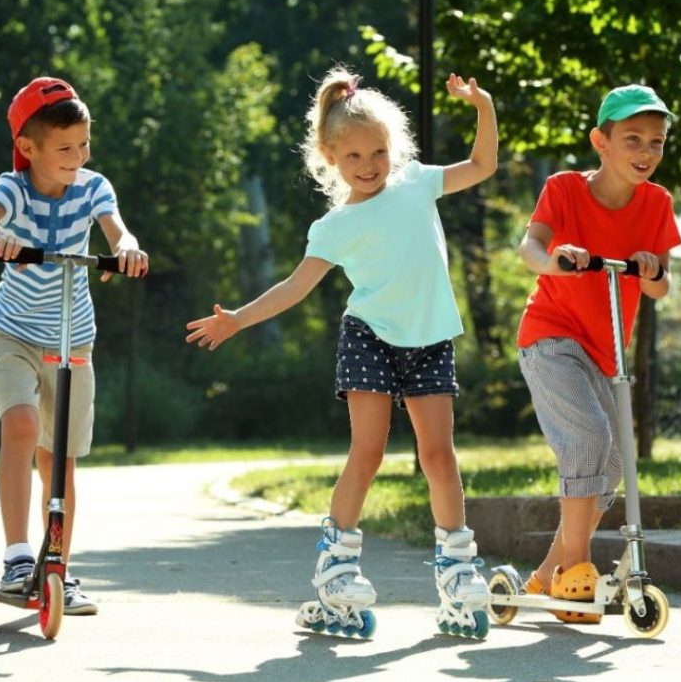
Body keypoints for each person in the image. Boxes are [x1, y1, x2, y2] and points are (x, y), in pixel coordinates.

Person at [186, 66, 498, 635]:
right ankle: (337, 570)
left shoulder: (417, 182)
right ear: (330, 157)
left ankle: (457, 569)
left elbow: (482, 166)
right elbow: (295, 287)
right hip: (369, 337)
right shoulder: (335, 226)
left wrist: (483, 108)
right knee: (368, 451)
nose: (369, 164)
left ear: (392, 147)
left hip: (429, 337)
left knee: (439, 455)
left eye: (377, 151)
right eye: (353, 156)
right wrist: (237, 320)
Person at [0, 76, 149, 615]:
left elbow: (117, 231)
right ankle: (18, 556)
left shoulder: (93, 188)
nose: (78, 156)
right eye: (65, 148)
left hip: (72, 338)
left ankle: (56, 568)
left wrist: (128, 248)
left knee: (59, 458)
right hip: (11, 333)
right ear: (29, 148)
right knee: (21, 426)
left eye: (84, 144)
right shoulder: (14, 188)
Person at [516, 84, 681, 622]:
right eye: (633, 139)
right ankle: (578, 568)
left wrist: (651, 269)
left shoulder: (657, 203)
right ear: (601, 142)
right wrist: (554, 260)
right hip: (551, 338)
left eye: (655, 142)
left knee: (612, 464)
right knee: (589, 438)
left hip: (606, 352)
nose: (645, 151)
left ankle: (550, 572)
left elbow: (660, 287)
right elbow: (529, 246)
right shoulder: (564, 189)